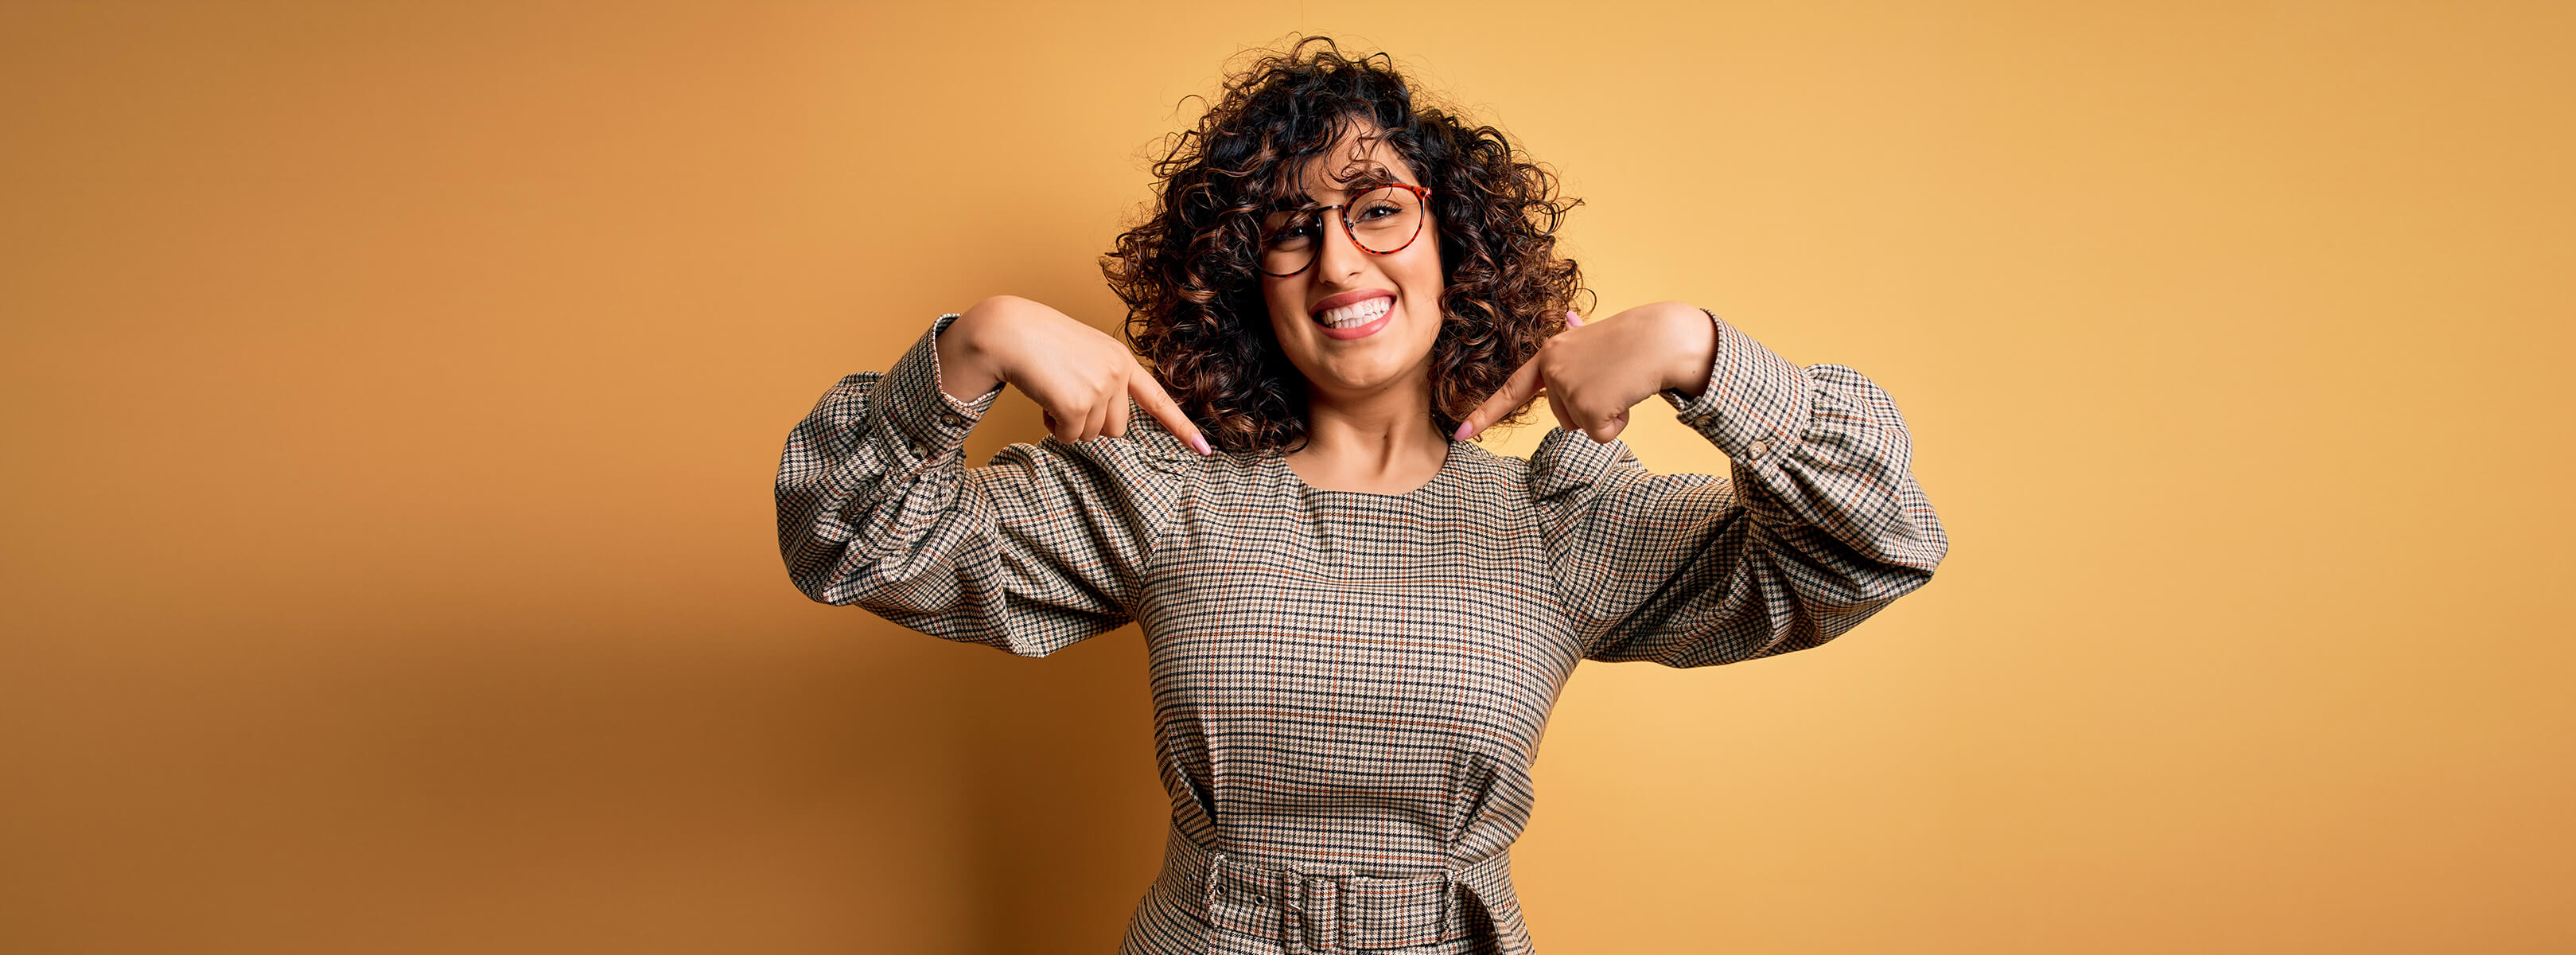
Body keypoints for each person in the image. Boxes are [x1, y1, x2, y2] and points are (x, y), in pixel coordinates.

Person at [775, 37, 1948, 955]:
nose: (1338, 262)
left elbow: (1874, 545)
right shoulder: (1164, 492)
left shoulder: (1560, 520)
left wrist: (1705, 355)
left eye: (1377, 207)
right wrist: (974, 346)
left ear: (1456, 240)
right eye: (1290, 229)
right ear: (1248, 283)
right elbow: (851, 540)